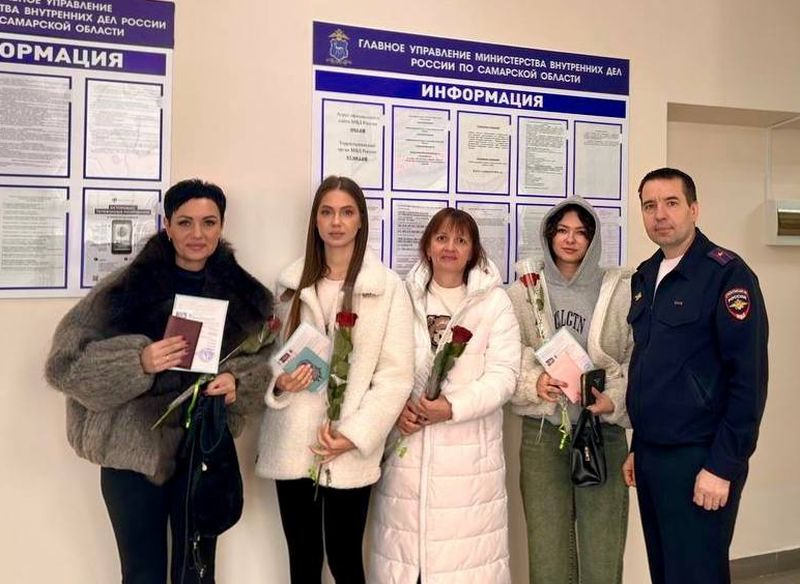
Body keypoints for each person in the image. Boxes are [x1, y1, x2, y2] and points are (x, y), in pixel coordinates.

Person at [45, 179, 274, 584]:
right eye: (185, 222)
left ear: (221, 226)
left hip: (204, 450)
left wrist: (236, 381)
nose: (197, 233)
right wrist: (137, 361)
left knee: (197, 573)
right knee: (142, 575)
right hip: (132, 454)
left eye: (208, 222)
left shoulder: (246, 297)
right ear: (167, 225)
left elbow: (264, 362)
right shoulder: (124, 290)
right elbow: (64, 365)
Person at [256, 176, 413, 584]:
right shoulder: (289, 285)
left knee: (345, 560)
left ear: (360, 220)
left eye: (346, 212)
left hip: (346, 446)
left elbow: (396, 376)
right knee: (303, 561)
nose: (336, 222)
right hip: (293, 441)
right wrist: (279, 384)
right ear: (315, 220)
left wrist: (355, 435)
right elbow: (266, 359)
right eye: (327, 212)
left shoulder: (386, 288)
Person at [623, 168, 768, 584]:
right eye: (649, 206)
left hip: (701, 457)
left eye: (671, 203)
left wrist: (723, 465)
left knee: (697, 574)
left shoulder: (726, 275)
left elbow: (748, 380)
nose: (660, 215)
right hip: (653, 456)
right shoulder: (646, 275)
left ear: (694, 209)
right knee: (666, 573)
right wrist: (639, 447)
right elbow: (650, 369)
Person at [368, 208, 520, 584]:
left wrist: (452, 408)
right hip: (407, 459)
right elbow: (380, 366)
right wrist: (396, 410)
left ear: (472, 251)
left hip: (469, 467)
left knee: (465, 568)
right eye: (441, 238)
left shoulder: (494, 304)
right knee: (406, 567)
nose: (450, 247)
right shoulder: (403, 298)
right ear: (427, 246)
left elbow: (504, 376)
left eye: (461, 240)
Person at [507, 197, 632, 584]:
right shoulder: (523, 291)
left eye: (581, 232)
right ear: (549, 235)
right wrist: (534, 382)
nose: (570, 239)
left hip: (603, 432)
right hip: (545, 435)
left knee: (602, 546)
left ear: (593, 240)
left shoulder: (621, 290)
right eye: (562, 230)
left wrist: (614, 399)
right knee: (548, 547)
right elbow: (506, 356)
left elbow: (637, 358)